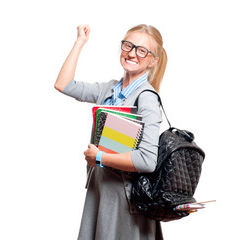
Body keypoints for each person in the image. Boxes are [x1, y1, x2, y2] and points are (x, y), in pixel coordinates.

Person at [55, 24, 167, 240]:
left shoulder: (147, 98)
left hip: (126, 201)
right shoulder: (108, 90)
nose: (132, 53)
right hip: (101, 191)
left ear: (153, 60)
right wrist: (80, 42)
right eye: (128, 45)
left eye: (142, 50)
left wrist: (98, 157)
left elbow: (146, 161)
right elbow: (64, 84)